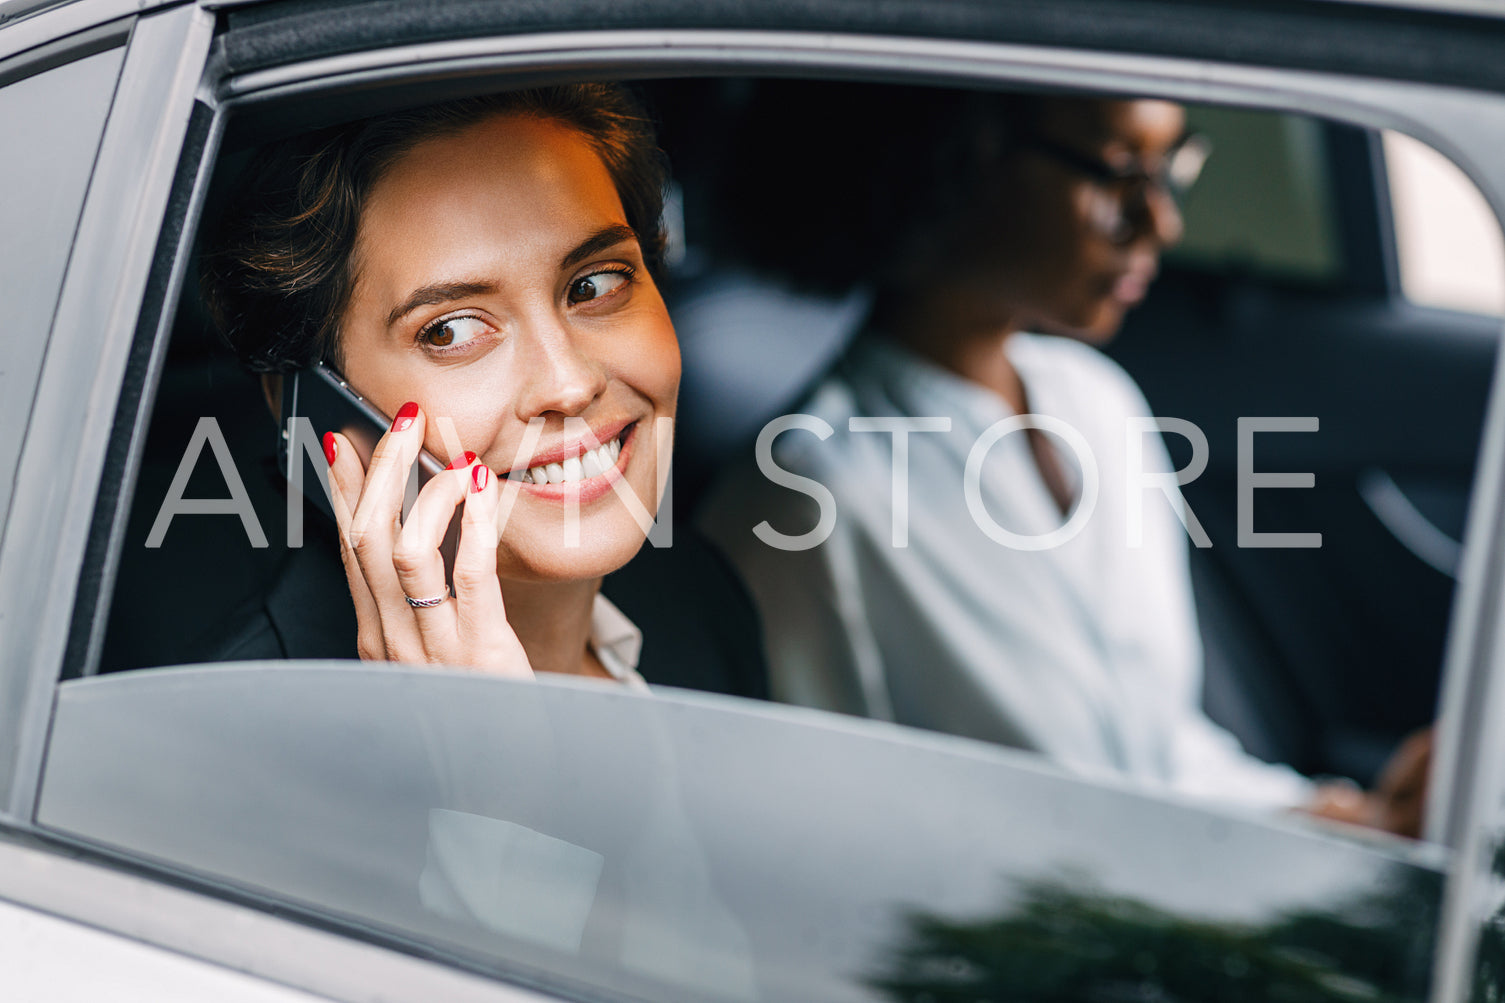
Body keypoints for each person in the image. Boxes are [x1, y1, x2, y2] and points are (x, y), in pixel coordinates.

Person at [696, 83, 1428, 834]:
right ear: (953, 165)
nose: (1162, 221)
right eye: (1118, 174)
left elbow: (1155, 755)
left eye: (1172, 167)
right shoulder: (807, 504)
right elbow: (812, 837)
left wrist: (1344, 818)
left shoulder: (1097, 401)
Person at [197, 84, 765, 698]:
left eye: (594, 285)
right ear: (308, 402)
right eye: (452, 330)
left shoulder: (699, 596)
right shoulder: (240, 744)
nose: (570, 384)